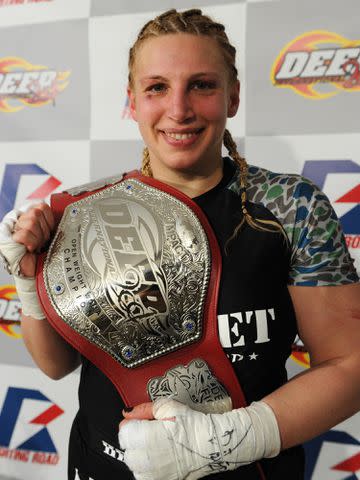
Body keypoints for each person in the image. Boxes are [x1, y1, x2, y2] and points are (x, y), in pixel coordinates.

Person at [0, 8, 359, 480]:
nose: (178, 109)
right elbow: (55, 365)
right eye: (157, 88)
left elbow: (348, 365)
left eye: (202, 85)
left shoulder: (291, 207)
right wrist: (30, 283)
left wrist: (227, 441)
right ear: (133, 102)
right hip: (100, 466)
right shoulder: (81, 213)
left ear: (232, 97)